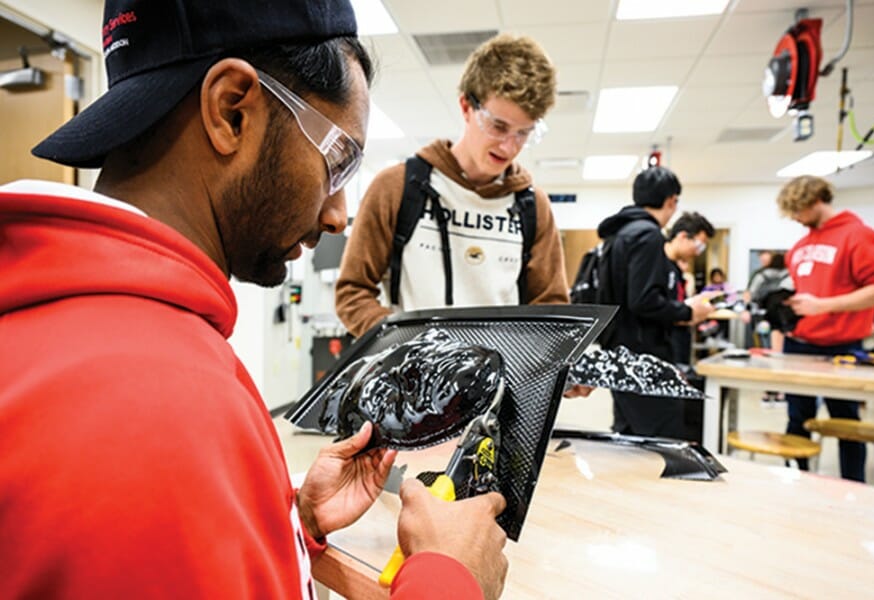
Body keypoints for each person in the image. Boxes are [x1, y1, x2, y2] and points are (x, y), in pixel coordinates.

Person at [0, 1, 508, 598]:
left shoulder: (68, 328)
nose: (338, 213)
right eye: (338, 159)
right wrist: (451, 577)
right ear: (231, 110)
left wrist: (282, 518)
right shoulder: (161, 408)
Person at [335, 33, 567, 337]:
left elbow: (549, 306)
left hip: (502, 380)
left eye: (524, 133)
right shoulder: (397, 187)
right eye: (498, 126)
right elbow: (353, 292)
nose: (509, 147)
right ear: (466, 107)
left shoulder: (533, 206)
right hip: (417, 378)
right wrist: (407, 343)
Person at [776, 175, 874, 482]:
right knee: (797, 420)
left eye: (798, 212)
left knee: (846, 423)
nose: (797, 221)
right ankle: (796, 484)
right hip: (799, 343)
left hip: (841, 346)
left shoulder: (858, 235)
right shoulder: (800, 246)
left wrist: (825, 305)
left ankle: (853, 489)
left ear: (814, 201)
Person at [596, 167, 715, 438]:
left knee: (627, 434)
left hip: (620, 347)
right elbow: (643, 300)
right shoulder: (648, 235)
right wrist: (687, 311)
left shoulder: (618, 234)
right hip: (643, 353)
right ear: (672, 200)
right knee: (663, 436)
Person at [663, 211, 716, 365]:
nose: (698, 252)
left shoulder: (676, 271)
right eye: (698, 245)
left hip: (678, 342)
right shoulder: (656, 265)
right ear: (683, 236)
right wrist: (687, 312)